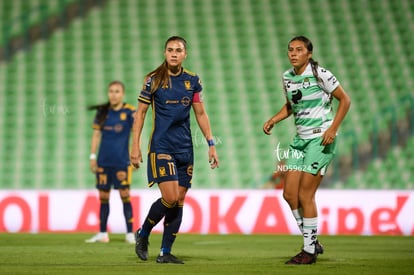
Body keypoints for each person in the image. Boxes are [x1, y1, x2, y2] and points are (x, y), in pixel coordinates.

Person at [130, 36, 219, 264]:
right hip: (162, 146)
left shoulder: (192, 80)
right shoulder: (153, 80)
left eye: (178, 50)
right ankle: (144, 233)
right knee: (169, 198)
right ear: (164, 53)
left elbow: (200, 113)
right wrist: (135, 146)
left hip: (185, 149)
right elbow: (140, 113)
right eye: (170, 50)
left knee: (179, 200)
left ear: (185, 54)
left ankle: (165, 252)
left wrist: (211, 144)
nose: (174, 53)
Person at [263, 36, 351, 264]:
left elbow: (345, 100)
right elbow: (292, 106)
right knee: (289, 194)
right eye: (290, 50)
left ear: (308, 54)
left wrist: (333, 128)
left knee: (305, 194)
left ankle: (309, 251)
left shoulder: (321, 74)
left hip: (320, 139)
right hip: (299, 141)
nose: (293, 53)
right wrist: (274, 119)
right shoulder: (287, 77)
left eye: (298, 50)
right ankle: (312, 241)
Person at [85, 80, 136, 244]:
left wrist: (135, 154)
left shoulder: (130, 112)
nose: (113, 94)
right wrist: (92, 157)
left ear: (123, 94)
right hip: (103, 161)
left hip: (122, 161)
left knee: (125, 194)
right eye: (111, 91)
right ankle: (102, 233)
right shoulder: (102, 112)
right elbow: (96, 135)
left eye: (117, 91)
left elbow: (136, 133)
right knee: (103, 196)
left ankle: (129, 233)